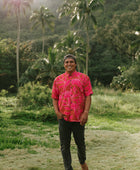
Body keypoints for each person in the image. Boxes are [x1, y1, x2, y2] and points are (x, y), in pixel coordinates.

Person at [52, 54, 93, 170]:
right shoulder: (58, 80)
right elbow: (54, 97)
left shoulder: (84, 78)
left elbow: (88, 95)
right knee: (65, 145)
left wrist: (85, 112)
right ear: (64, 65)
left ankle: (82, 162)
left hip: (79, 117)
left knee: (80, 144)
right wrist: (57, 112)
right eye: (67, 62)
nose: (69, 64)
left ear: (75, 64)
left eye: (71, 62)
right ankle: (68, 167)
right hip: (63, 118)